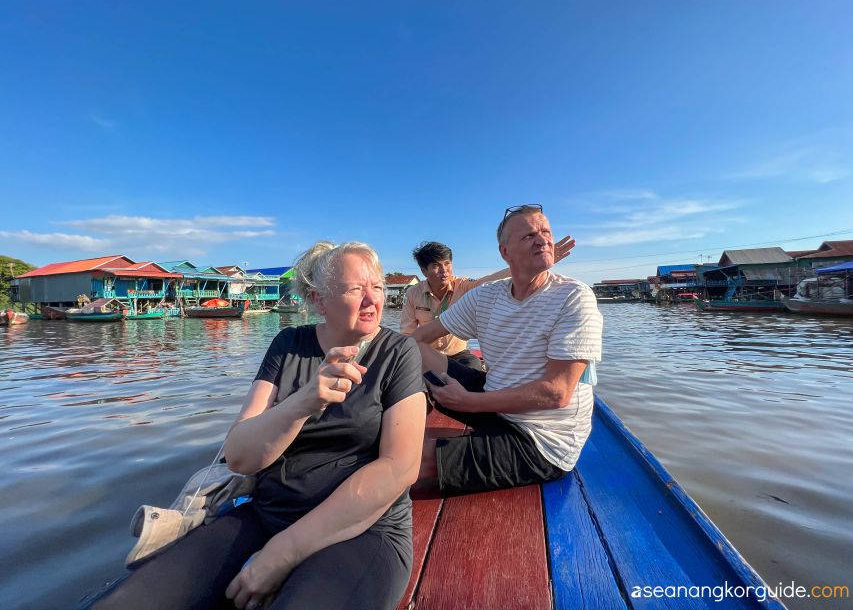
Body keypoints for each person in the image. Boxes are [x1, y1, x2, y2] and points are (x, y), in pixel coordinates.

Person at [86, 242, 426, 610]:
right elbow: (239, 457)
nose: (371, 299)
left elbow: (399, 468)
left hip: (363, 531)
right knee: (127, 602)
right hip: (267, 515)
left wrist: (282, 553)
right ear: (319, 300)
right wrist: (306, 399)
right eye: (355, 289)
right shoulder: (288, 345)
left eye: (376, 286)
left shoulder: (397, 352)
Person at [411, 205, 602, 496]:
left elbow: (557, 392)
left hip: (541, 439)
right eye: (528, 235)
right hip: (497, 404)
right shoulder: (486, 296)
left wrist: (469, 401)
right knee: (415, 351)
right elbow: (419, 337)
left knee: (406, 462)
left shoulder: (574, 297)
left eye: (545, 232)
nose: (542, 240)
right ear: (505, 252)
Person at [400, 235, 576, 369]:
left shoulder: (464, 286)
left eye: (447, 264)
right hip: (426, 354)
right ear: (424, 271)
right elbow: (407, 334)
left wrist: (531, 264)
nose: (444, 270)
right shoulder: (413, 293)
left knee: (473, 367)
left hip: (458, 355)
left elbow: (492, 280)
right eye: (436, 266)